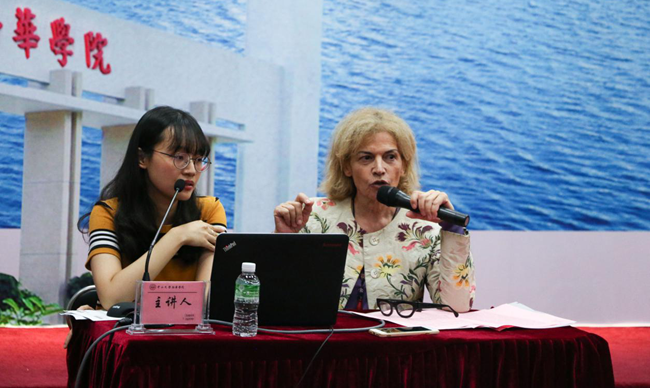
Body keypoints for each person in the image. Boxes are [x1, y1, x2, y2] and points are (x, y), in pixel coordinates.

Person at [273, 108, 475, 312]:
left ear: (403, 166)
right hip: (323, 333)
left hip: (395, 334)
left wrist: (451, 228)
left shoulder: (426, 228)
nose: (379, 169)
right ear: (347, 167)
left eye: (390, 157)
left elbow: (456, 307)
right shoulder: (313, 216)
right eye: (366, 158)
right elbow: (277, 301)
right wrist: (283, 241)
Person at [79, 106, 227, 310]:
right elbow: (112, 299)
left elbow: (203, 302)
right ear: (142, 158)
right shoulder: (108, 213)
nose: (192, 170)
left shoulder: (209, 211)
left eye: (198, 160)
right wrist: (177, 237)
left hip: (186, 329)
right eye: (179, 158)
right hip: (128, 330)